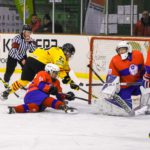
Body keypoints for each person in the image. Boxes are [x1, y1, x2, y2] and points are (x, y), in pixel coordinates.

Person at [1, 43, 79, 100]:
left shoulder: (58, 51)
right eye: (70, 54)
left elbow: (67, 70)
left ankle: (7, 92)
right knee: (49, 79)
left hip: (30, 59)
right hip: (40, 63)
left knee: (24, 81)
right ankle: (44, 98)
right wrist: (68, 80)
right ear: (66, 51)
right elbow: (60, 69)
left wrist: (72, 82)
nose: (70, 56)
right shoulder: (61, 55)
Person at [8, 63, 76, 114]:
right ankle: (63, 107)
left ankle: (14, 109)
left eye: (57, 73)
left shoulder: (56, 82)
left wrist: (66, 96)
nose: (56, 75)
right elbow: (41, 85)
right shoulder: (42, 73)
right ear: (49, 71)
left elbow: (59, 94)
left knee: (35, 108)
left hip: (40, 99)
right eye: (55, 73)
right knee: (46, 99)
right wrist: (50, 89)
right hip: (33, 93)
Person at [104, 41, 145, 110]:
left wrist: (143, 79)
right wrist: (112, 84)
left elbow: (143, 69)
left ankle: (146, 106)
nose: (121, 52)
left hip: (137, 83)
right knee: (126, 107)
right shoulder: (115, 60)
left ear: (128, 49)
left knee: (144, 94)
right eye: (119, 50)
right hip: (125, 87)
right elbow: (112, 75)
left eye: (123, 49)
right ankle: (112, 102)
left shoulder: (138, 55)